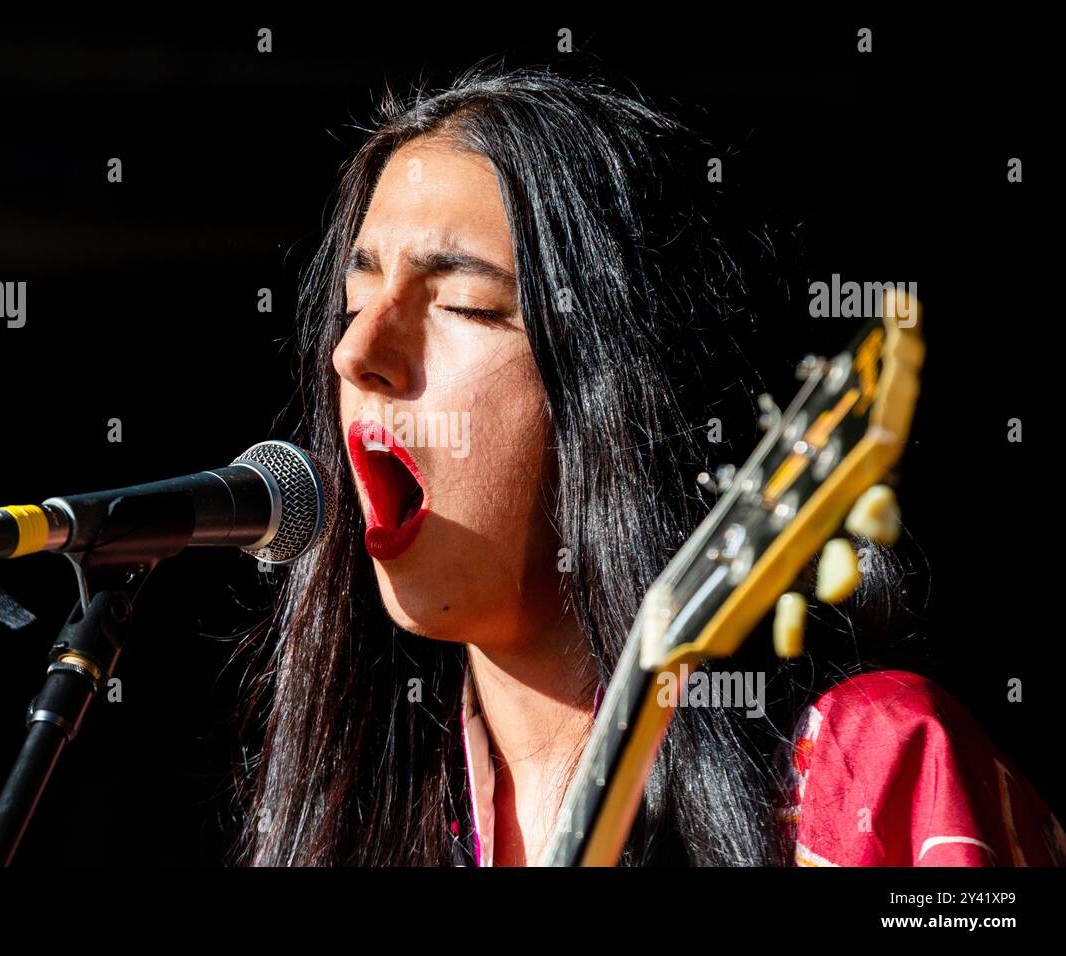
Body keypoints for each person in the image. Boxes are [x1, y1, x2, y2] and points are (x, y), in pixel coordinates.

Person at [226, 64, 1062, 866]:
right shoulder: (364, 803)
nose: (356, 351)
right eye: (355, 297)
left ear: (623, 388)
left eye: (465, 304)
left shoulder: (871, 773)